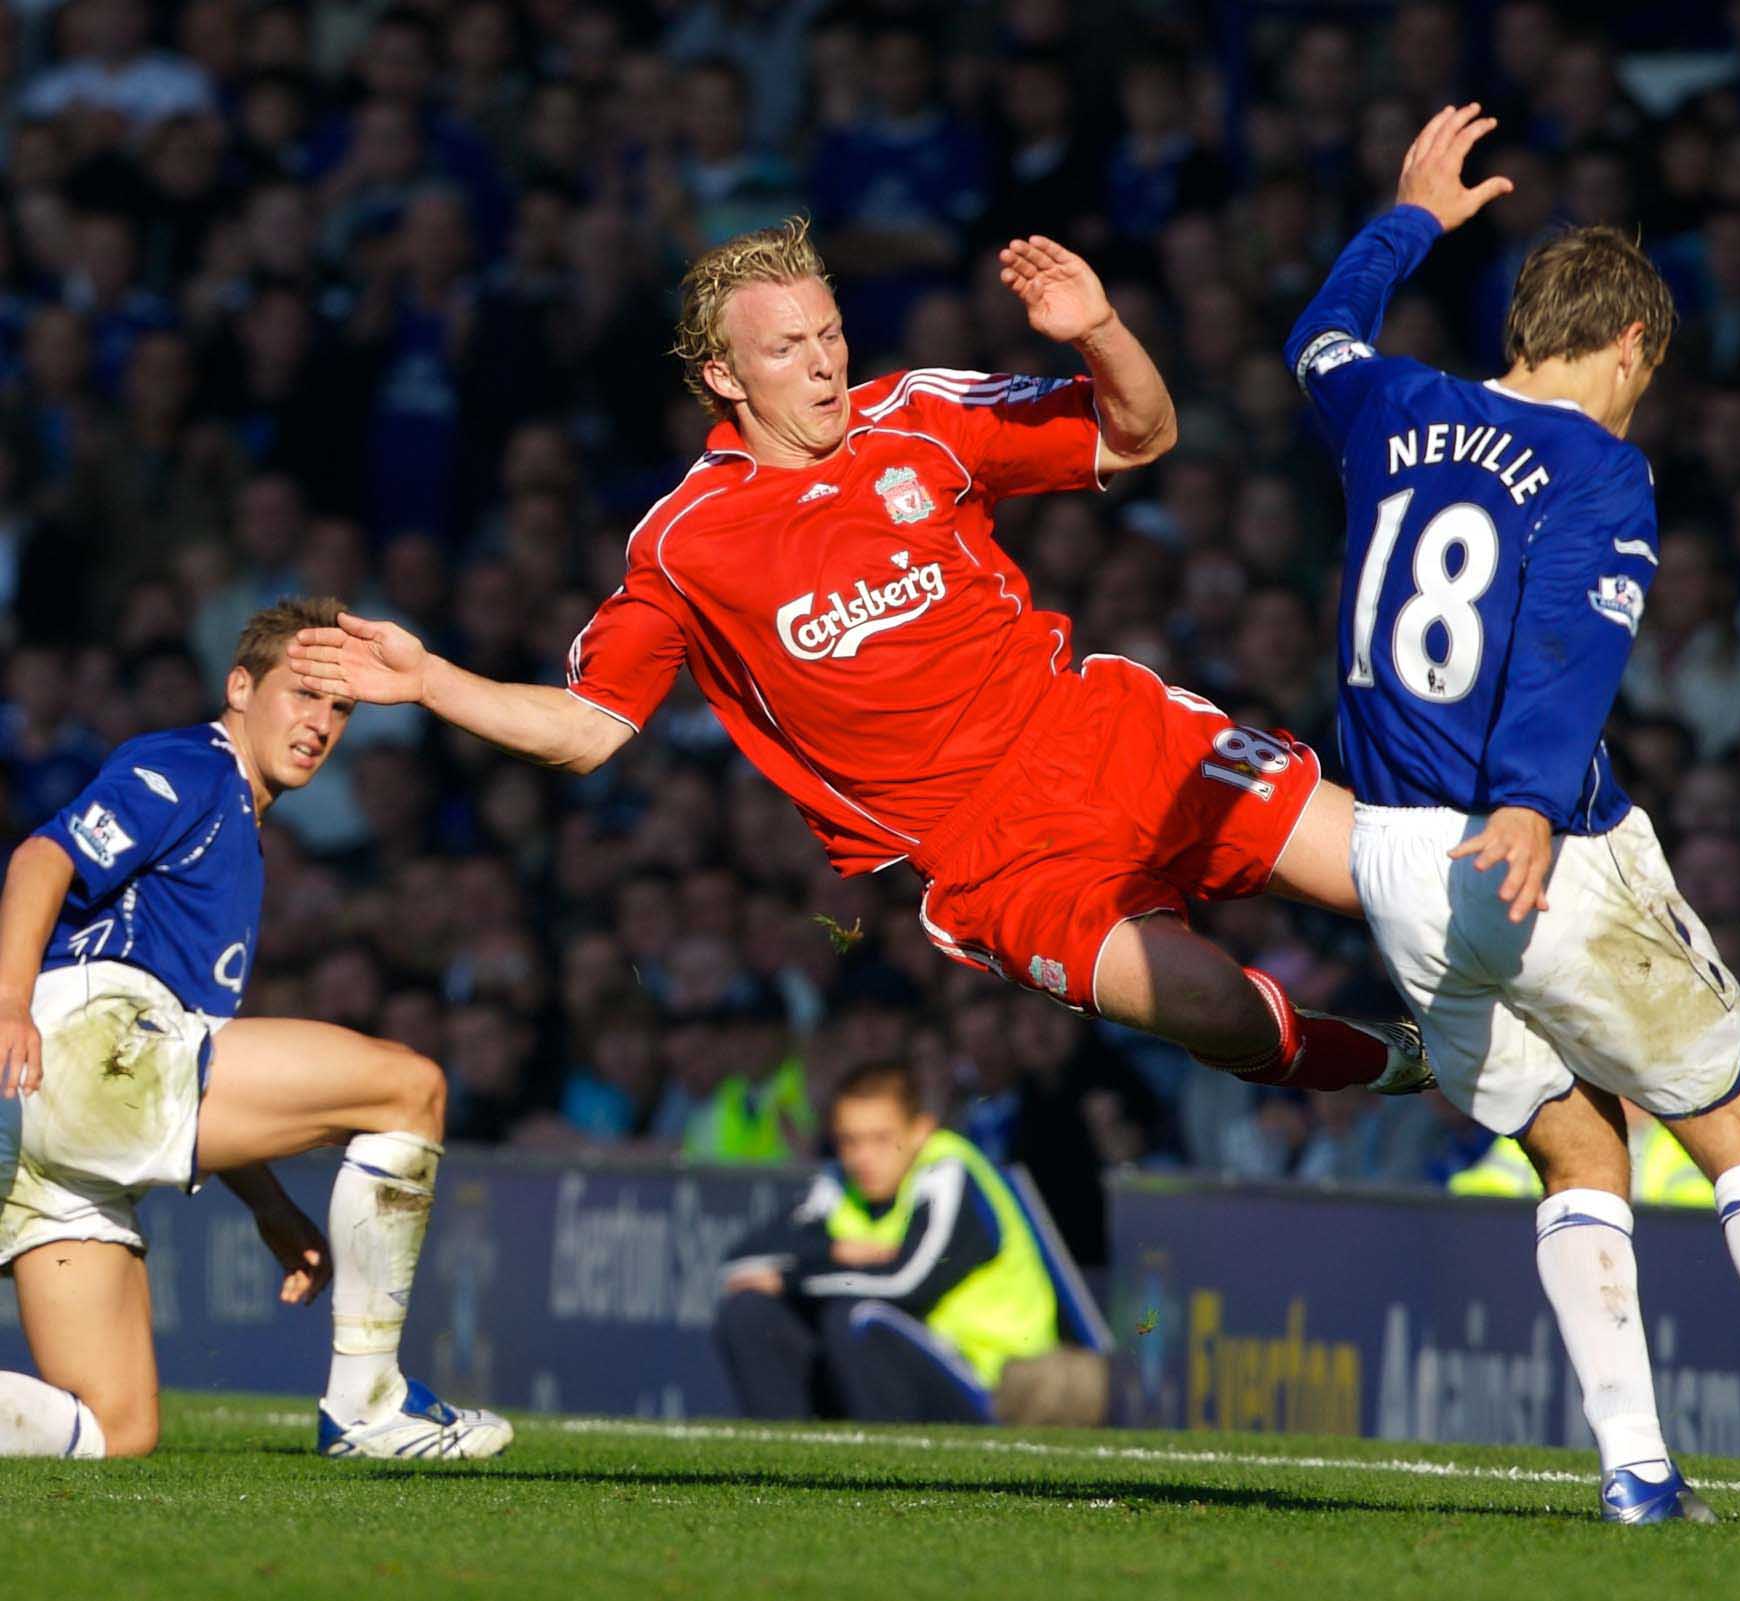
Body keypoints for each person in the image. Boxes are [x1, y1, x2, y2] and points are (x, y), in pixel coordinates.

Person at [1287, 104, 1740, 1526]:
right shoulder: (1603, 468)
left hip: (1389, 857)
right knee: (1734, 1115)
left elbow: (1319, 336)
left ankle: (1639, 1474)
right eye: (1646, 379)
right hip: (1536, 854)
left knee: (1574, 1147)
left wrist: (1410, 217)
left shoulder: (1390, 402)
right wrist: (1535, 806)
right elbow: (1570, 645)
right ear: (1630, 350)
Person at [292, 218, 1427, 1104]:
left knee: (1389, 868)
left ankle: (1572, 1011)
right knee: (1215, 1006)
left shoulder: (920, 416)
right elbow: (590, 731)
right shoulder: (686, 544)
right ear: (726, 379)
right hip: (992, 855)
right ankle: (1399, 1063)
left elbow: (1142, 435)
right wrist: (433, 679)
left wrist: (1098, 329)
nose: (827, 366)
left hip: (1103, 733)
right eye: (789, 349)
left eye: (831, 333)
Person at [0, 598, 509, 1460]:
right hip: (85, 1049)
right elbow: (41, 857)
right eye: (303, 694)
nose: (319, 724)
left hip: (53, 1132)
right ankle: (368, 1403)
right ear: (241, 685)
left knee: (116, 1430)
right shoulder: (193, 764)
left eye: (340, 709)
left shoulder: (237, 826)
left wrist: (272, 1209)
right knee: (408, 1085)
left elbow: (198, 1069)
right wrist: (10, 1003)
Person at [713, 1061, 1058, 1423]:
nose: (862, 1157)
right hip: (903, 1357)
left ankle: (882, 1465)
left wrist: (792, 1279)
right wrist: (833, 1250)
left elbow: (907, 1280)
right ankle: (783, 1461)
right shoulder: (837, 1185)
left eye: (881, 1139)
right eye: (849, 1140)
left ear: (920, 1131)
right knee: (749, 1311)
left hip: (999, 1378)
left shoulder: (947, 1171)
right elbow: (741, 1264)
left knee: (858, 1317)